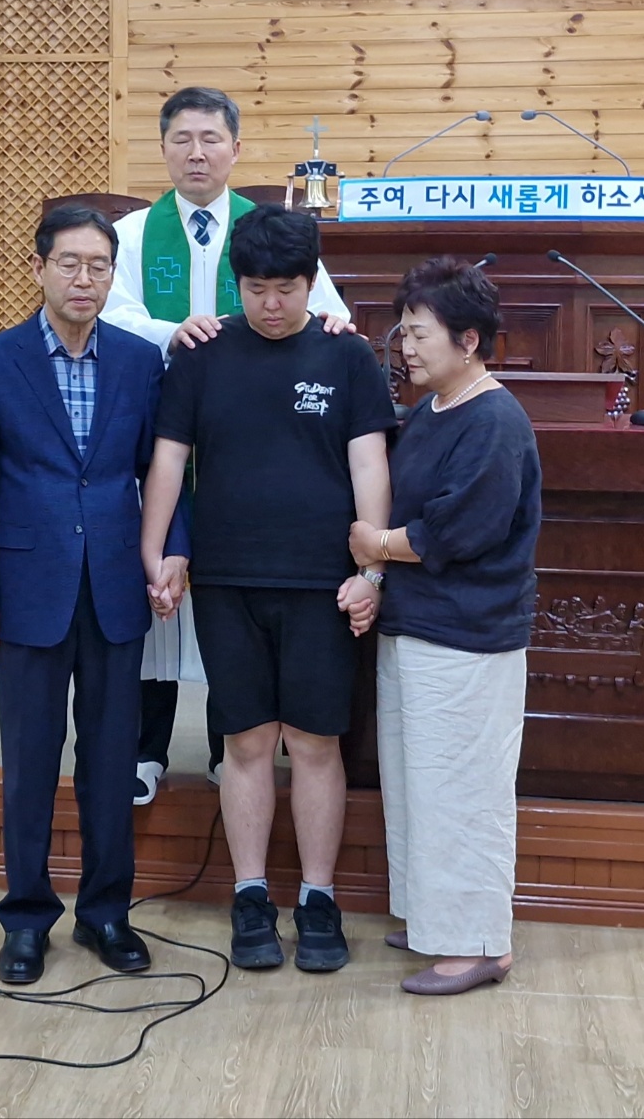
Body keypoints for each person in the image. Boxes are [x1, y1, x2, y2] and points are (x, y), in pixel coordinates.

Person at [140, 205, 395, 973]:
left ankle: (318, 898)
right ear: (238, 283)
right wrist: (156, 551)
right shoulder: (202, 355)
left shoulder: (347, 357)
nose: (272, 304)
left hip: (322, 581)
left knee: (315, 742)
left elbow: (369, 463)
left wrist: (371, 570)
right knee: (246, 741)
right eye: (256, 289)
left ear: (312, 284)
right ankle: (249, 895)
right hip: (227, 577)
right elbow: (169, 458)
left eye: (286, 289)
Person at [0, 203, 189, 986]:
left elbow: (164, 469)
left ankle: (105, 912)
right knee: (29, 759)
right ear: (39, 269)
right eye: (70, 263)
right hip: (27, 586)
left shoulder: (139, 361)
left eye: (99, 266)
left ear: (112, 275)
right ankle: (26, 918)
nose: (84, 279)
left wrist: (173, 549)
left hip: (117, 583)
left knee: (112, 758)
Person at [103, 85, 352, 805]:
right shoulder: (132, 234)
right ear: (163, 149)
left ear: (236, 149)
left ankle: (225, 751)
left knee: (229, 601)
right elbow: (111, 314)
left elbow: (323, 309)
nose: (196, 153)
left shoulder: (267, 229)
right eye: (182, 139)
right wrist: (171, 331)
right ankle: (146, 750)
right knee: (157, 594)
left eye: (210, 138)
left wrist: (335, 325)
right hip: (158, 432)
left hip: (247, 445)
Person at [349, 257, 541, 997]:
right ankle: (435, 921)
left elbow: (460, 529)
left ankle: (477, 944)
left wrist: (376, 545)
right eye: (402, 332)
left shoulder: (495, 419)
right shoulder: (432, 409)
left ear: (468, 340)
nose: (406, 347)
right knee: (419, 788)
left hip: (468, 637)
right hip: (418, 624)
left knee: (463, 793)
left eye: (419, 333)